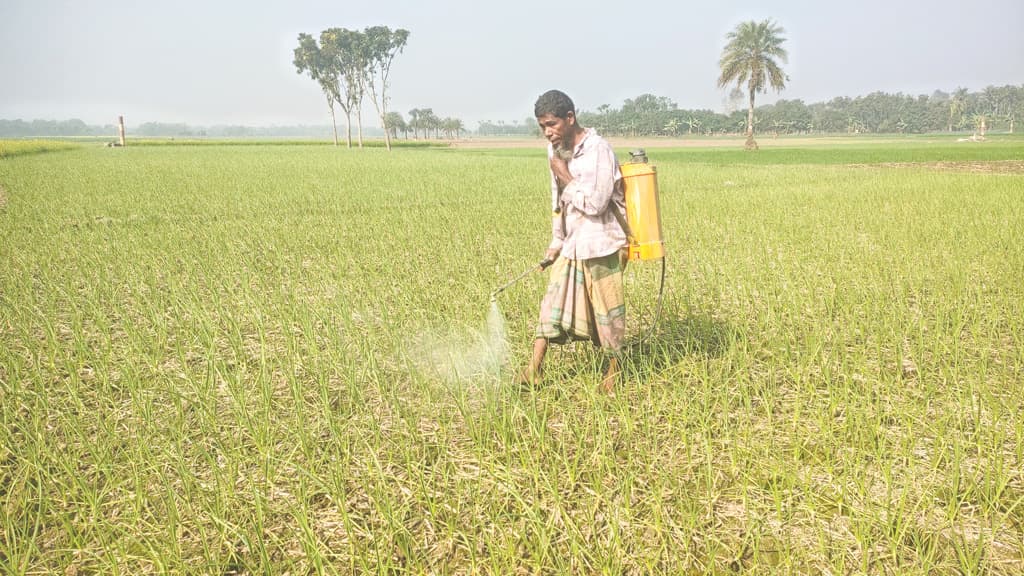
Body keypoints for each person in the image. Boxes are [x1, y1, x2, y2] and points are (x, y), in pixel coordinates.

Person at [518, 89, 629, 392]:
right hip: (573, 243)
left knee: (607, 313)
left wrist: (564, 173)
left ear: (570, 118)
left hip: (603, 242)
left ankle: (614, 370)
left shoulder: (598, 150)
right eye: (542, 126)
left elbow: (594, 204)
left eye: (552, 124)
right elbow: (559, 202)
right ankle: (533, 369)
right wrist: (556, 242)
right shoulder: (555, 151)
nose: (547, 133)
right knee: (551, 304)